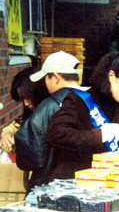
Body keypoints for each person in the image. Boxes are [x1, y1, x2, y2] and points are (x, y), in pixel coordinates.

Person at [45, 52, 119, 181]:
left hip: (106, 186)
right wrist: (100, 135)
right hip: (73, 183)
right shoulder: (78, 101)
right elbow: (55, 134)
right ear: (111, 76)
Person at [14, 52, 87, 189]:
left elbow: (28, 157)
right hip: (84, 181)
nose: (45, 84)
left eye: (46, 79)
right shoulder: (89, 100)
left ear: (55, 76)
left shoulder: (48, 106)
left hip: (50, 184)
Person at [1, 67, 47, 155]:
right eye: (22, 99)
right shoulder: (31, 113)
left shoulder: (49, 111)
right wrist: (7, 134)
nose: (25, 103)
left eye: (28, 98)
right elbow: (14, 126)